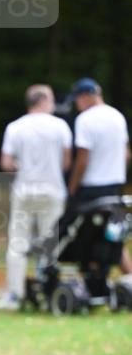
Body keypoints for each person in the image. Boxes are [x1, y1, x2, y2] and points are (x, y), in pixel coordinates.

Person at [0, 84, 72, 311]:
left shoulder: (15, 128)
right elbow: (67, 162)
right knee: (50, 244)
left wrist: (23, 167)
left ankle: (15, 295)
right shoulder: (60, 127)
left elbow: (6, 163)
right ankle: (48, 291)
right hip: (52, 191)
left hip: (24, 192)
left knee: (18, 244)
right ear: (43, 101)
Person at [68, 77, 131, 274]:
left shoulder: (85, 119)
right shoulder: (117, 116)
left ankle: (90, 279)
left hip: (91, 188)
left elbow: (82, 160)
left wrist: (72, 187)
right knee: (114, 234)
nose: (77, 105)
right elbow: (127, 155)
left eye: (77, 99)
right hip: (115, 186)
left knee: (86, 235)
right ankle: (129, 277)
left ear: (86, 96)